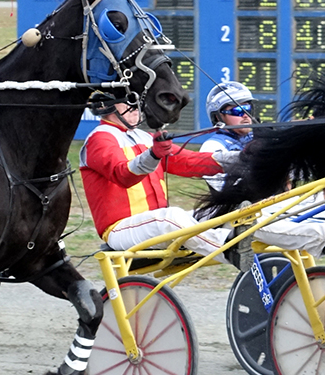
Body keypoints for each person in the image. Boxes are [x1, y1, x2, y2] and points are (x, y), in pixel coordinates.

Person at [197, 81, 325, 266]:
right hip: (239, 213)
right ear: (218, 117)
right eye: (236, 111)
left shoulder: (261, 135)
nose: (244, 115)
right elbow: (228, 192)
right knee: (256, 217)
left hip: (273, 204)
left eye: (247, 108)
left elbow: (295, 173)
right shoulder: (212, 147)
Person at [79, 102, 244, 265]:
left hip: (156, 224)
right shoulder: (99, 139)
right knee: (171, 217)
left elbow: (191, 162)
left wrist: (245, 158)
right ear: (105, 106)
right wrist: (153, 155)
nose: (135, 106)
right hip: (120, 230)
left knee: (230, 211)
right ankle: (229, 249)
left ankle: (254, 248)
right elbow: (123, 175)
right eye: (127, 100)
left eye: (137, 100)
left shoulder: (145, 137)